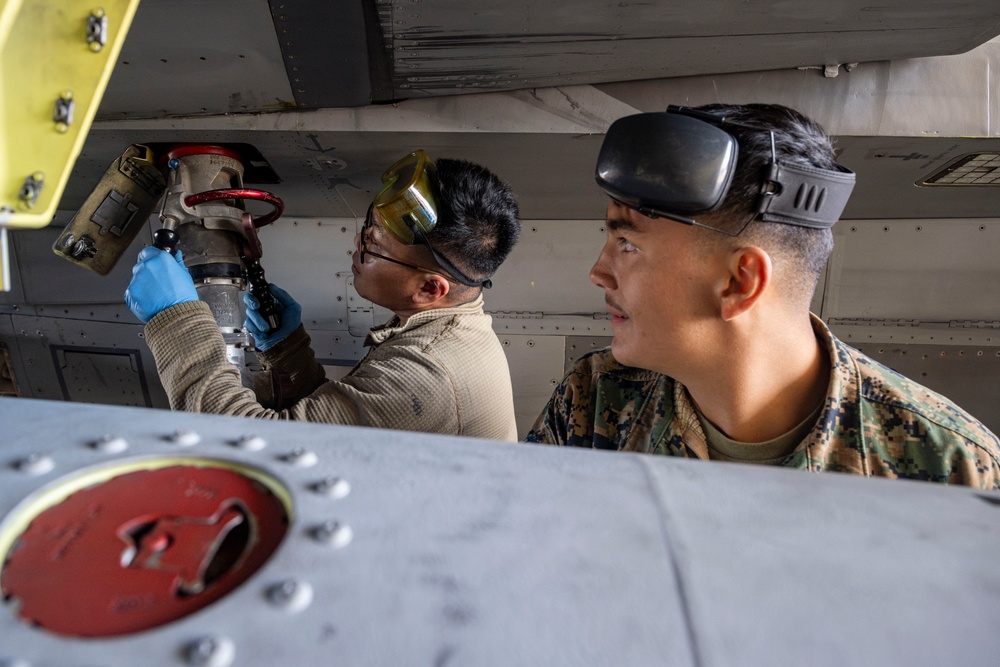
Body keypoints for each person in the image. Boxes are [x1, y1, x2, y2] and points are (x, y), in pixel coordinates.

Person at [526, 103, 1000, 489]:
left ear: (739, 283)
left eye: (628, 244)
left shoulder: (953, 471)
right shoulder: (592, 401)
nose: (598, 273)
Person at [126, 150, 521, 441]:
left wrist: (176, 319)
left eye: (372, 245)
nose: (357, 244)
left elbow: (246, 445)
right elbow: (343, 425)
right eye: (367, 227)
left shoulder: (426, 376)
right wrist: (288, 351)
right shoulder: (455, 331)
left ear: (429, 288)